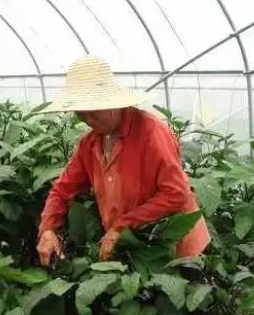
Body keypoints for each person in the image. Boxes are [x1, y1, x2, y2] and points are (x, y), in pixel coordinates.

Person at [36, 55, 210, 266]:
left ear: (113, 103)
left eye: (93, 111)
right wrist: (47, 228)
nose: (89, 120)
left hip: (174, 245)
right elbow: (62, 190)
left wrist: (121, 226)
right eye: (81, 113)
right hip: (134, 243)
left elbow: (176, 193)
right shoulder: (90, 143)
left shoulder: (151, 133)